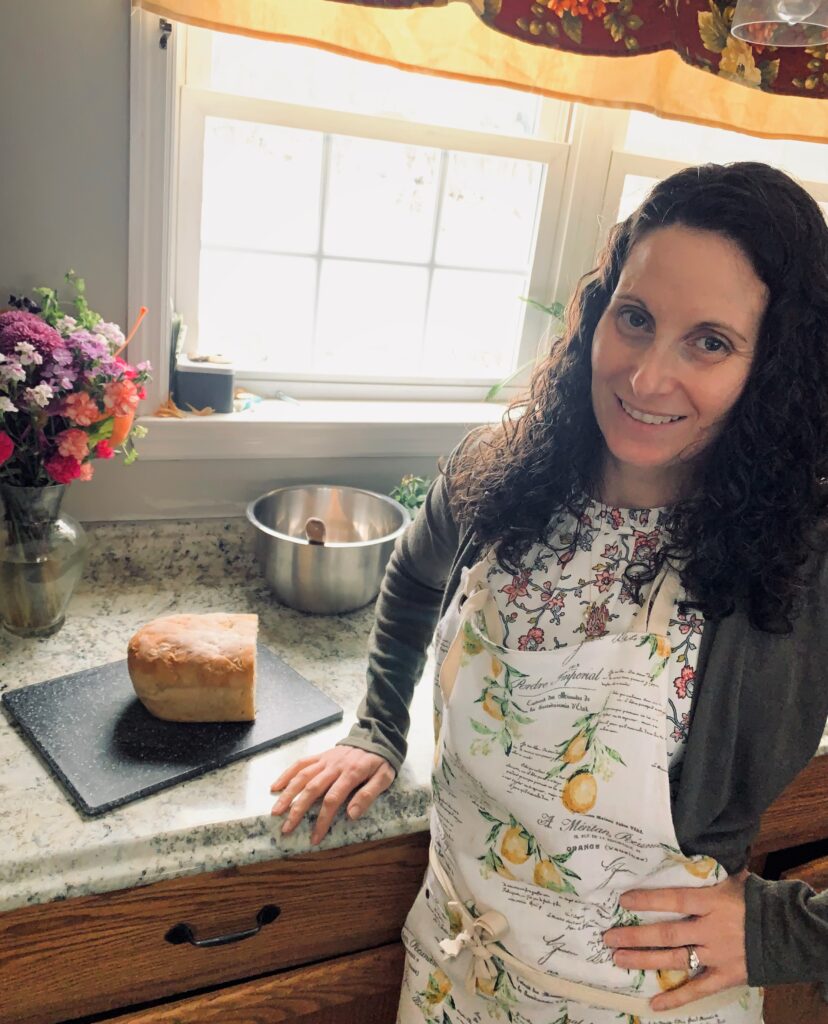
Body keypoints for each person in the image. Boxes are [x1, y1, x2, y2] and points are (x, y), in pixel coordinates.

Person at [270, 161, 828, 1023]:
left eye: (709, 342)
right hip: (450, 980)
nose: (646, 378)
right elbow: (415, 576)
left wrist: (785, 933)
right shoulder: (503, 468)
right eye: (635, 318)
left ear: (776, 366)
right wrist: (378, 725)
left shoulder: (804, 553)